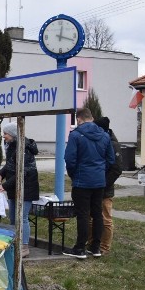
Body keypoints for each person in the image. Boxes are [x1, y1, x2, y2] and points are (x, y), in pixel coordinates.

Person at [63, 108, 115, 259]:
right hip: (99, 182)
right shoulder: (105, 136)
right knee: (97, 213)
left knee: (83, 214)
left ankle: (80, 248)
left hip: (81, 181)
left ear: (78, 119)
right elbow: (111, 160)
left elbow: (70, 159)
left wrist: (74, 174)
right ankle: (96, 247)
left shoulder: (76, 135)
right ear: (91, 117)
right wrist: (100, 171)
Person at [0, 123, 39, 258]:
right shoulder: (12, 146)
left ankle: (24, 246)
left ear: (13, 134)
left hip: (26, 188)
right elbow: (11, 164)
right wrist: (1, 173)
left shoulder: (24, 148)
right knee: (13, 217)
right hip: (14, 188)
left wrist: (5, 185)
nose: (4, 136)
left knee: (22, 218)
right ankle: (15, 242)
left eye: (6, 134)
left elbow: (22, 172)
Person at [93, 117, 123, 255]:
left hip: (105, 189)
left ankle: (105, 247)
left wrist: (103, 184)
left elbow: (116, 169)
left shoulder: (113, 144)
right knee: (92, 217)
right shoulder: (99, 140)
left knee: (105, 219)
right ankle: (92, 243)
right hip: (94, 187)